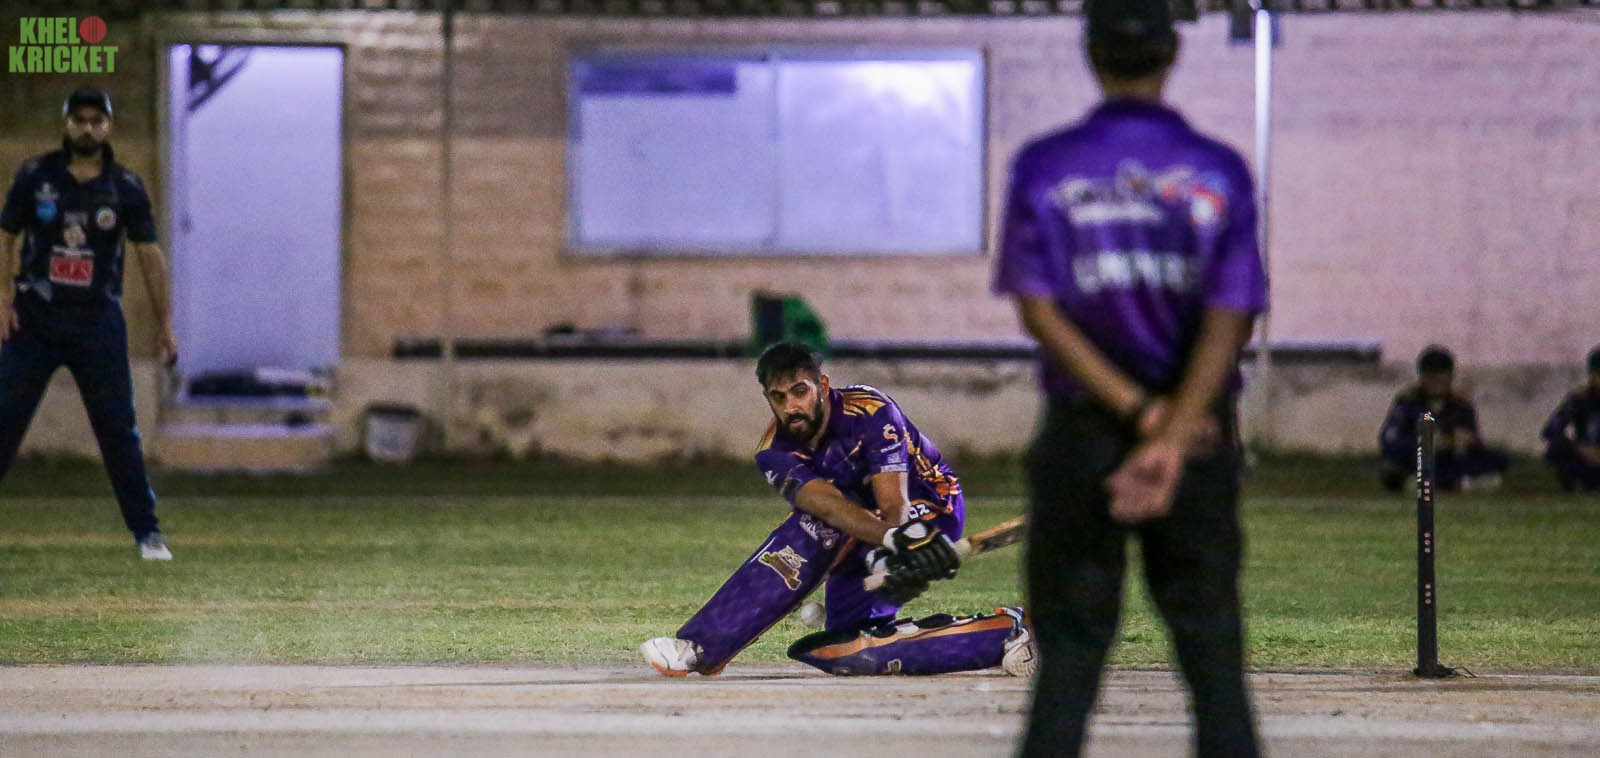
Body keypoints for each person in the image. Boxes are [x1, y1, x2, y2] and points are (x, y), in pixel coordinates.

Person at [991, 1, 1267, 755]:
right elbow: (1232, 313)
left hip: (1083, 434)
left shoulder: (1046, 165)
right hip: (1198, 434)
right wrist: (1172, 432)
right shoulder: (1217, 169)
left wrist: (1139, 413)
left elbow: (1040, 310)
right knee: (1212, 657)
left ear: (1091, 55)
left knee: (1070, 659)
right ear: (1173, 53)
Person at [639, 341, 1035, 677]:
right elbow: (825, 505)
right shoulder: (774, 452)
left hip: (928, 511)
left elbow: (894, 503)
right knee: (850, 649)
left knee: (818, 529)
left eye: (800, 391)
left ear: (822, 386)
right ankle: (1008, 633)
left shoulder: (871, 411)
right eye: (779, 397)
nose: (791, 406)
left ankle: (699, 645)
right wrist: (889, 543)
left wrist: (900, 542)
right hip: (872, 532)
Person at [0, 88, 177, 560]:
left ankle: (147, 533)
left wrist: (165, 323)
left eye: (96, 121)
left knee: (118, 429)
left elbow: (149, 255)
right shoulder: (36, 175)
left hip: (97, 322)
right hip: (35, 318)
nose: (87, 129)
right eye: (78, 120)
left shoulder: (125, 187)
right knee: (5, 418)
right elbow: (6, 234)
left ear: (109, 126)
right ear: (66, 123)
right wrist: (3, 299)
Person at [1379, 345, 1508, 492]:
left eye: (1441, 379)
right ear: (1422, 378)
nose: (1436, 384)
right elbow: (1390, 439)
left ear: (1450, 378)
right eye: (1431, 378)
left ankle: (1438, 482)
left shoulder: (1461, 405)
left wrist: (1466, 440)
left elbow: (1474, 440)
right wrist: (1429, 443)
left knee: (1496, 458)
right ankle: (1454, 483)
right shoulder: (1408, 402)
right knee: (1394, 465)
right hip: (1418, 456)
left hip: (1450, 458)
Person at [1540, 345, 1600, 492]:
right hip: (1586, 459)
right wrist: (1582, 449)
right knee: (1557, 448)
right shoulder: (1579, 399)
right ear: (1592, 376)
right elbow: (1551, 430)